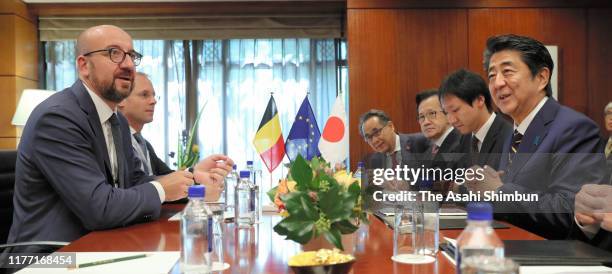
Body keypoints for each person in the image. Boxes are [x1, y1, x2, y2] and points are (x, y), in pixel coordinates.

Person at [6, 25, 234, 255]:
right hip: (50, 256)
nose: (127, 65)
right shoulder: (58, 118)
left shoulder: (117, 120)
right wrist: (163, 190)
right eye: (114, 53)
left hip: (101, 245)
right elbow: (99, 207)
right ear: (84, 65)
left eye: (132, 56)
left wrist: (194, 178)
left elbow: (135, 183)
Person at [468, 34, 607, 239]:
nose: (497, 83)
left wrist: (498, 191)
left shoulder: (574, 128)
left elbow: (571, 210)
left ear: (541, 77)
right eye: (491, 75)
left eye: (507, 71)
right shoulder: (514, 131)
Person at [118, 72, 223, 201]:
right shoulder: (116, 141)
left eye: (154, 95)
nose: (153, 101)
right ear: (121, 100)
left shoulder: (143, 143)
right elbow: (137, 185)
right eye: (144, 95)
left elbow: (167, 178)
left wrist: (196, 173)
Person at [439, 68, 512, 170]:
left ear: (480, 100)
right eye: (446, 113)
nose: (452, 120)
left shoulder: (509, 137)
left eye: (455, 110)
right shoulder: (458, 140)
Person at [358, 109, 429, 170]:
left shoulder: (420, 142)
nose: (374, 140)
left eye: (376, 132)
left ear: (390, 126)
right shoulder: (375, 161)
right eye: (369, 137)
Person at [415, 89, 467, 170]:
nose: (426, 122)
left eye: (432, 113)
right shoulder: (426, 151)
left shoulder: (462, 143)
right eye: (421, 117)